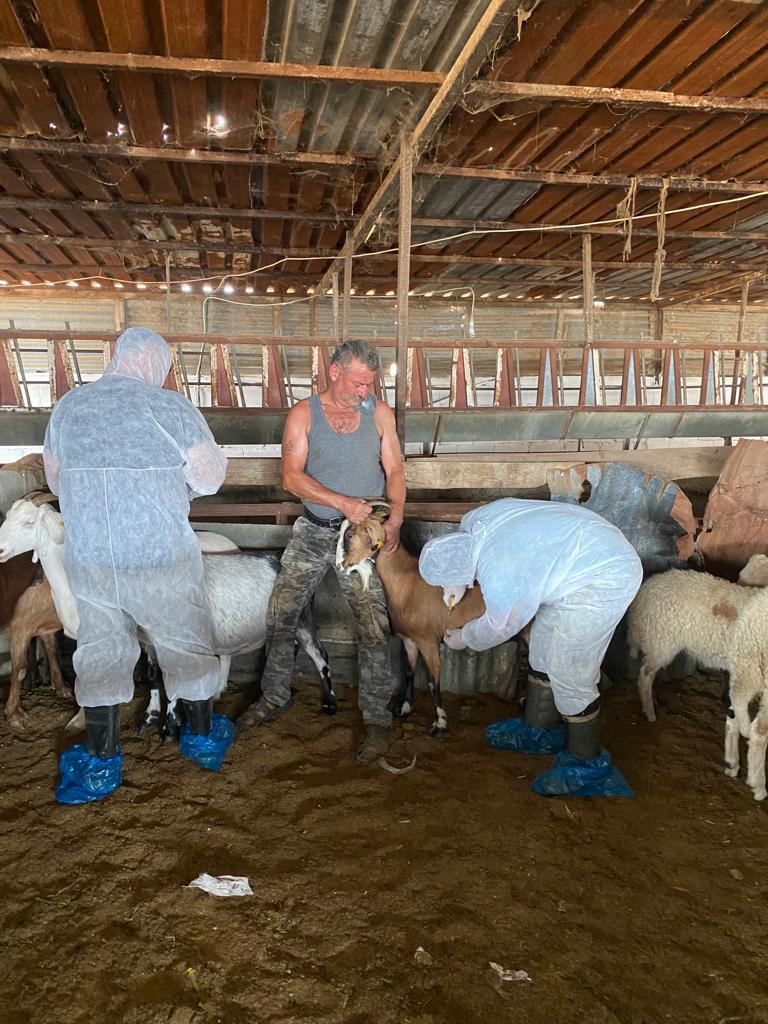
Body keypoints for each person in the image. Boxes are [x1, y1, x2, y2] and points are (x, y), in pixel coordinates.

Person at [43, 328, 229, 804]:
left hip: (93, 560)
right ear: (152, 361)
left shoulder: (69, 408)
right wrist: (172, 489)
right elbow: (208, 480)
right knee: (185, 642)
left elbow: (58, 482)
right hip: (159, 557)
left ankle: (102, 759)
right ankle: (202, 740)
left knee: (99, 650)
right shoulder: (170, 407)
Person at [237, 339, 405, 764]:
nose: (364, 392)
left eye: (369, 384)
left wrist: (397, 517)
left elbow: (396, 469)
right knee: (281, 613)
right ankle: (275, 695)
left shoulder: (380, 414)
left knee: (373, 622)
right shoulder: (304, 414)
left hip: (363, 535)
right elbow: (291, 478)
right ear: (334, 372)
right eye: (357, 383)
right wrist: (342, 502)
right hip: (315, 529)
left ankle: (377, 717)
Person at [418, 498, 643, 797]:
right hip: (579, 552)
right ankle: (538, 730)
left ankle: (587, 767)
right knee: (541, 644)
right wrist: (460, 582)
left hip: (603, 575)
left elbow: (500, 625)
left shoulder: (498, 571)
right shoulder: (475, 522)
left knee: (569, 668)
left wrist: (465, 637)